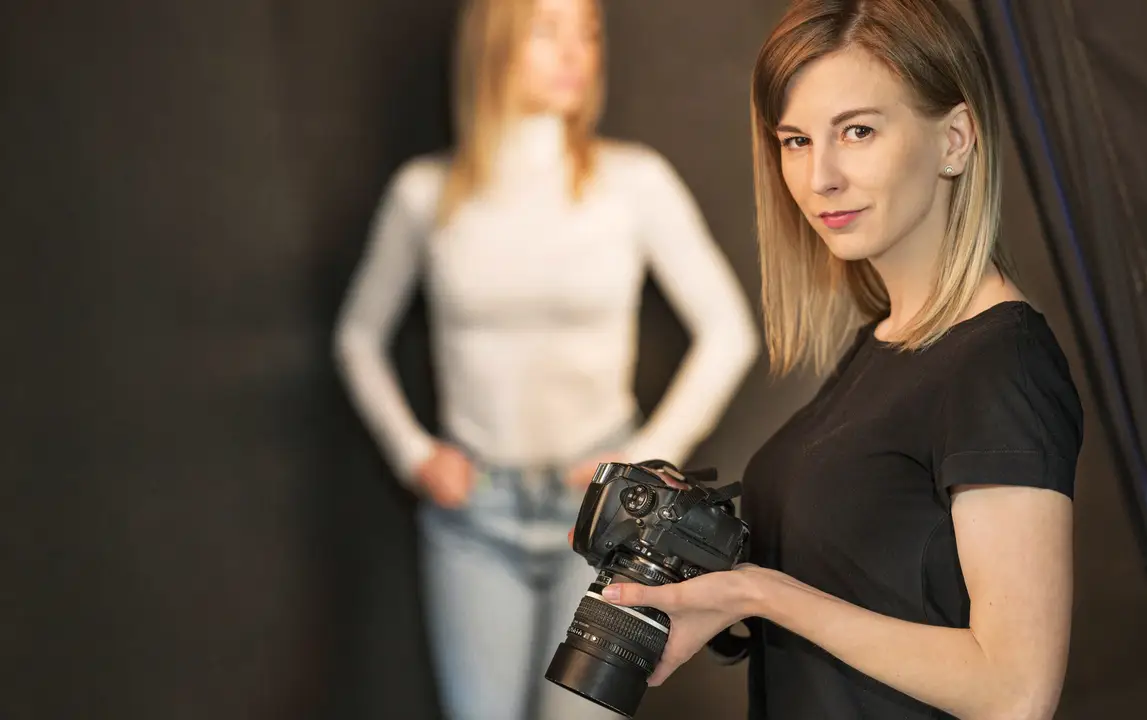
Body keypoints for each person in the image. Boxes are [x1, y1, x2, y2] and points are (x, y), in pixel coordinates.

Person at [596, 1, 1084, 719]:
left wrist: (763, 593)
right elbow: (870, 579)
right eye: (795, 140)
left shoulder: (1000, 365)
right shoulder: (889, 339)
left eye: (857, 131)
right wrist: (716, 590)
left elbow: (1016, 692)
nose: (819, 176)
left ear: (954, 140)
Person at [331, 0, 759, 717]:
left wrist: (644, 458)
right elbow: (357, 336)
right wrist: (414, 456)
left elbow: (729, 331)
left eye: (588, 33)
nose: (575, 52)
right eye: (547, 30)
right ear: (496, 45)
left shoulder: (634, 182)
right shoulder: (426, 193)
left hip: (603, 526)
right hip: (475, 522)